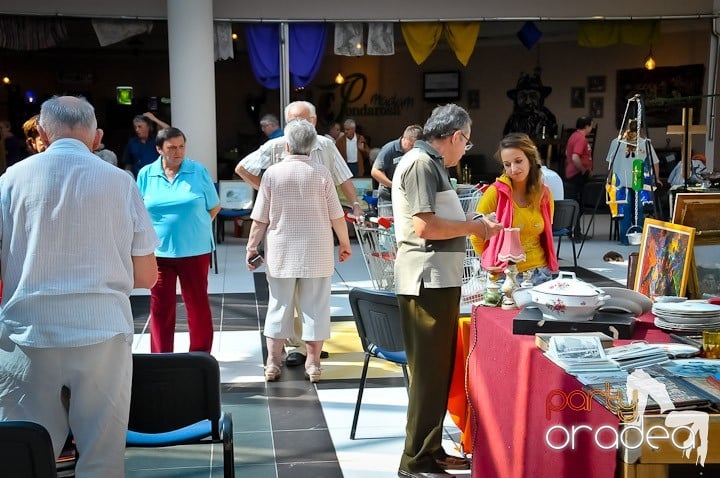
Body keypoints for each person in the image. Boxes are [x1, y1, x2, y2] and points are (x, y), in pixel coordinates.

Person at [0, 95, 159, 477]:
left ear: (41, 131)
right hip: (102, 329)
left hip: (28, 330)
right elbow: (146, 276)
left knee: (26, 454)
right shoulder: (121, 182)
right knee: (101, 455)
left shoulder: (10, 180)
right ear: (96, 137)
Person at [392, 103, 502, 477]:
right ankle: (415, 460)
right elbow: (424, 227)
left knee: (437, 371)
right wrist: (473, 228)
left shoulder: (428, 162)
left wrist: (471, 222)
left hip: (437, 278)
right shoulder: (422, 164)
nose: (464, 150)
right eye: (466, 143)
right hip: (427, 280)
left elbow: (439, 220)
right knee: (427, 373)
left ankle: (432, 448)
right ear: (455, 137)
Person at [236, 101, 363, 367]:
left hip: (293, 242)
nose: (298, 125)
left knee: (286, 300)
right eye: (293, 120)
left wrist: (356, 203)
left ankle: (285, 356)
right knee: (306, 301)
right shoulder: (282, 151)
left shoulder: (325, 147)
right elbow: (242, 168)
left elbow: (344, 178)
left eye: (303, 120)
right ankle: (304, 354)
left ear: (315, 121)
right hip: (303, 241)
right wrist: (267, 190)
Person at [136, 127, 221, 353]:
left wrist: (194, 227)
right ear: (159, 149)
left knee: (197, 305)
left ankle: (200, 355)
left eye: (181, 146)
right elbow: (138, 211)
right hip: (159, 253)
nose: (178, 152)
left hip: (195, 251)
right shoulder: (146, 173)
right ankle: (161, 357)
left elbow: (214, 206)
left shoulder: (198, 170)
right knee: (161, 307)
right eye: (172, 147)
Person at [472, 133, 559, 284]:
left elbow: (547, 232)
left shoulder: (544, 193)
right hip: (505, 276)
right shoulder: (495, 192)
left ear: (531, 160)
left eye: (518, 161)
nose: (513, 168)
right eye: (507, 164)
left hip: (541, 273)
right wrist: (492, 262)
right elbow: (475, 235)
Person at [371, 124, 423, 204]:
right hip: (388, 196)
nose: (413, 148)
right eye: (411, 145)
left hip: (410, 195)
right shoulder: (389, 149)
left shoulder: (417, 150)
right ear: (404, 138)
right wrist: (394, 186)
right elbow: (375, 171)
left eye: (416, 146)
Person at [564, 116, 593, 237]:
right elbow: (575, 156)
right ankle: (576, 231)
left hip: (571, 173)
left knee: (576, 202)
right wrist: (582, 169)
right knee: (580, 203)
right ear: (587, 126)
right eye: (591, 125)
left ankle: (574, 230)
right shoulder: (581, 139)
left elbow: (567, 153)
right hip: (577, 175)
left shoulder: (573, 136)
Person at [121, 111, 169, 176]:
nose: (137, 130)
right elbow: (128, 163)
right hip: (137, 179)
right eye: (135, 127)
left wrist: (154, 119)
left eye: (140, 127)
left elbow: (169, 131)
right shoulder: (132, 142)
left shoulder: (156, 140)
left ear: (148, 127)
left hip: (155, 177)